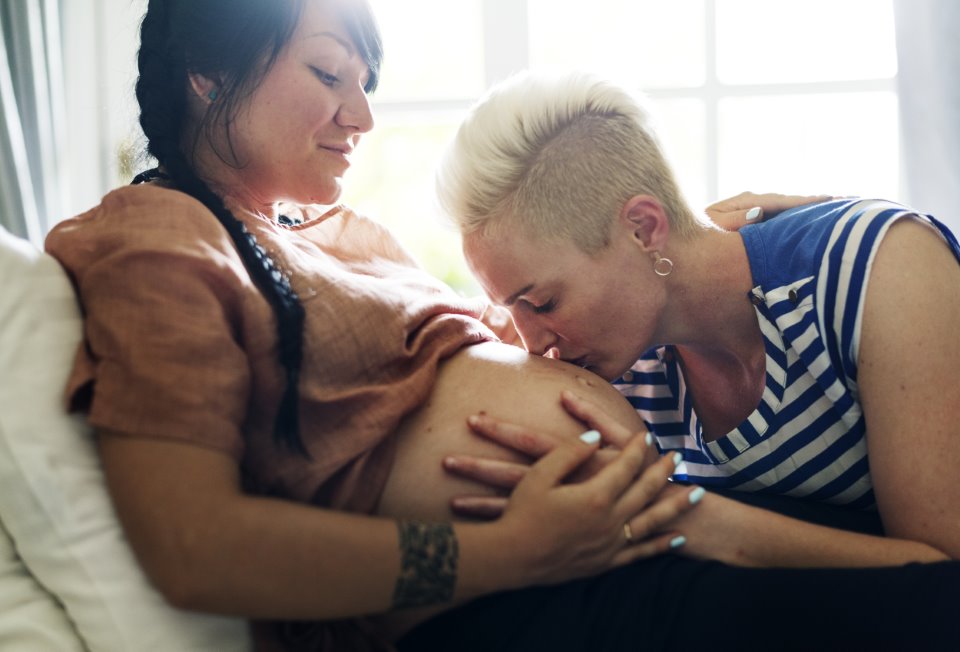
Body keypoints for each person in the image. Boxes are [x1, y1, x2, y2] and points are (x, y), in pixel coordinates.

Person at [42, 1, 960, 650]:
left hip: (638, 550)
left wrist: (722, 231)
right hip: (542, 592)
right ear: (208, 71)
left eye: (366, 82)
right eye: (328, 72)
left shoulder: (344, 237)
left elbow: (572, 288)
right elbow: (194, 545)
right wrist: (497, 553)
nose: (360, 115)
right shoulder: (156, 236)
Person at [435, 68, 960, 569]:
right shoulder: (618, 368)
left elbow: (945, 570)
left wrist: (700, 521)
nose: (533, 343)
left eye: (544, 303)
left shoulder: (879, 268)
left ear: (643, 228)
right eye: (512, 308)